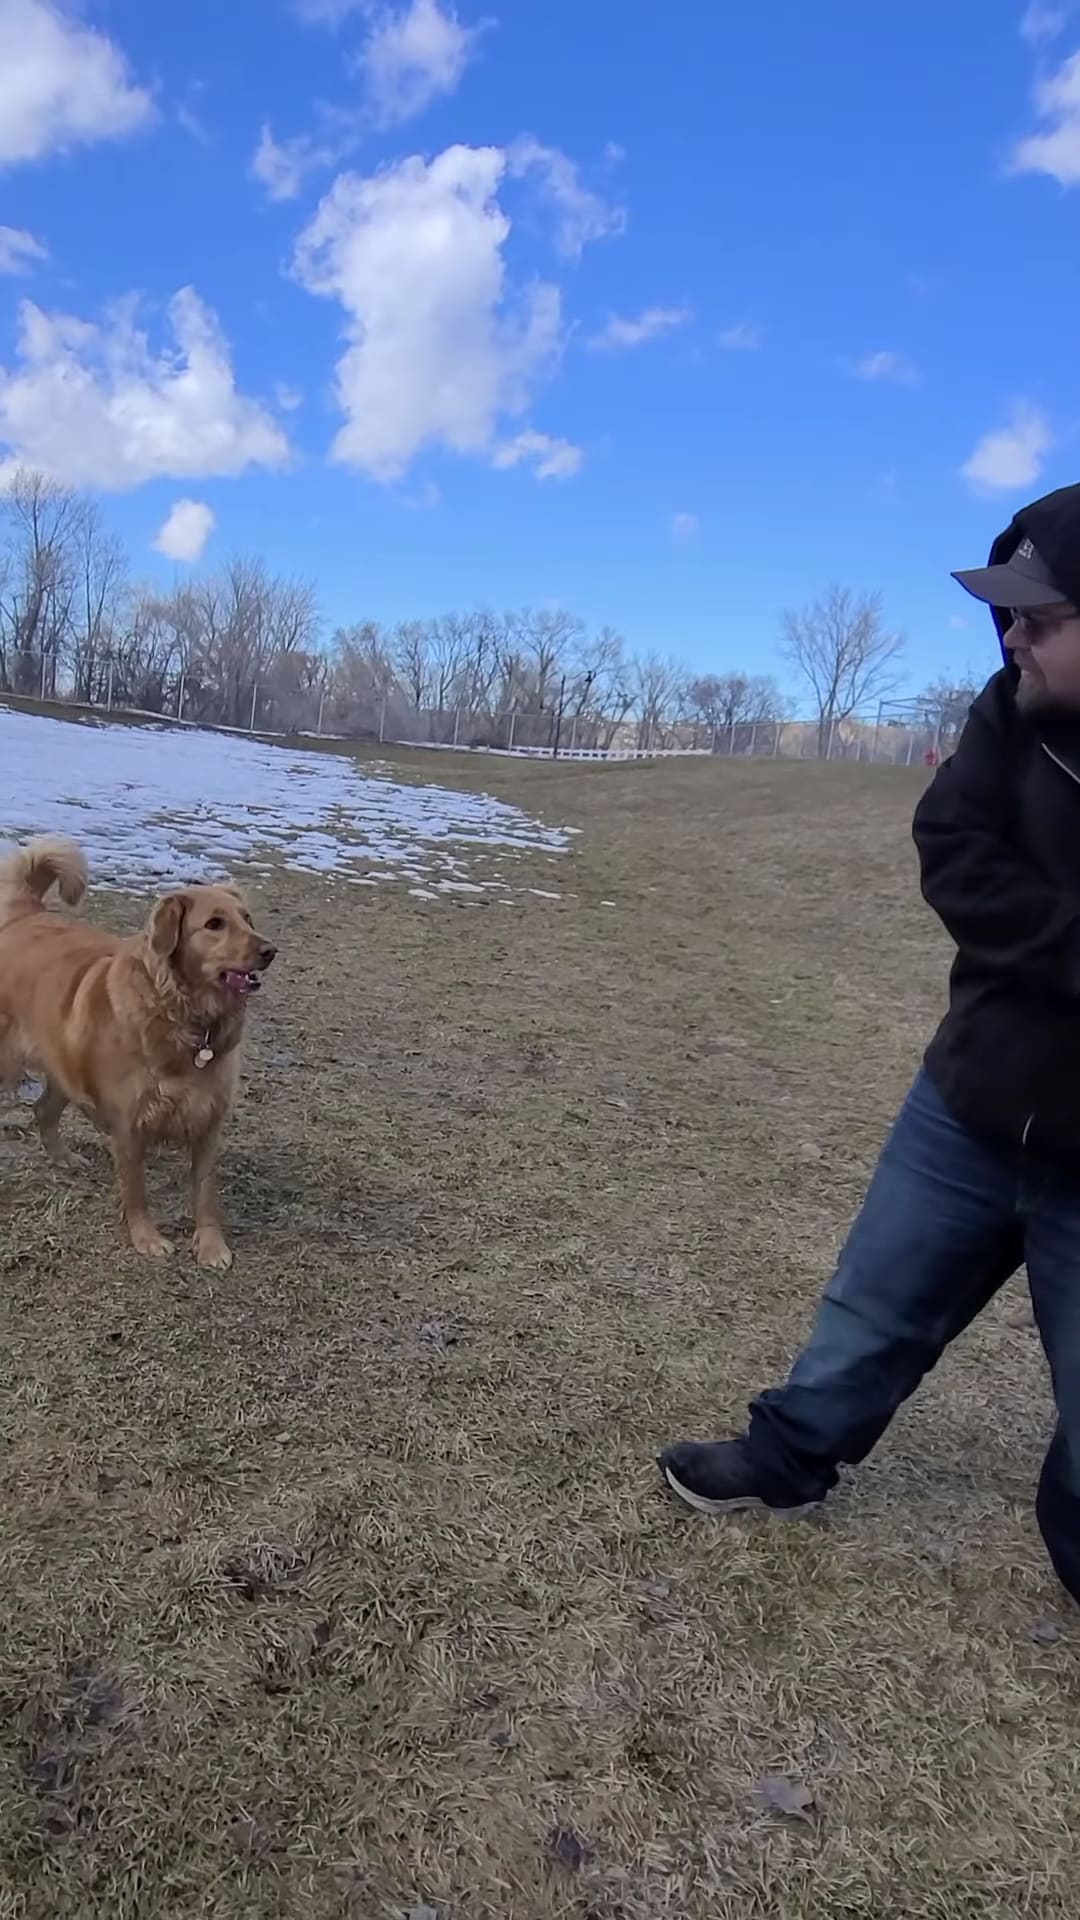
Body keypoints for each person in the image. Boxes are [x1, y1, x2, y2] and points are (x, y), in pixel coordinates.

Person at [659, 481, 1080, 1605]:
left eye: (1043, 616)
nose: (1014, 635)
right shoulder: (1010, 709)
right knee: (869, 1309)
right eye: (1006, 613)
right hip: (974, 1095)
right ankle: (789, 1460)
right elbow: (953, 842)